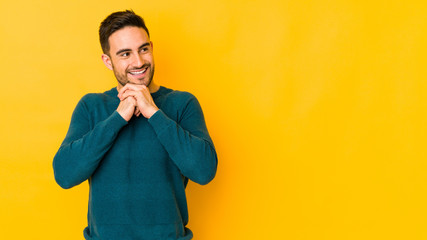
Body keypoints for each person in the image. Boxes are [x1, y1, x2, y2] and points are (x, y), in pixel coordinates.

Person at [53, 10, 217, 240]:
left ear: (151, 47)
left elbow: (204, 171)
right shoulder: (91, 106)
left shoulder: (182, 103)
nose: (138, 62)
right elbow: (65, 175)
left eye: (143, 49)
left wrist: (154, 113)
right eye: (125, 54)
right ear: (108, 61)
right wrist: (117, 119)